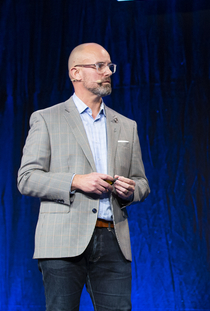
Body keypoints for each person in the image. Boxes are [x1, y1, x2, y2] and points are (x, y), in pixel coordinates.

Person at [18, 42, 150, 311]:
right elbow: (27, 178)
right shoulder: (47, 119)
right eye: (99, 66)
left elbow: (142, 182)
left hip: (112, 239)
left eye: (109, 66)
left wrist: (130, 190)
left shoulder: (126, 125)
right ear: (75, 73)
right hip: (62, 240)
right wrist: (75, 181)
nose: (108, 72)